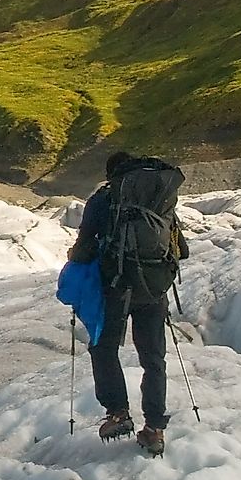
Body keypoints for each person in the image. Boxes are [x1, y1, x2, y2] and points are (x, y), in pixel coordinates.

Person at [68, 151, 188, 457]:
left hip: (115, 287)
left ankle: (118, 412)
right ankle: (155, 428)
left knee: (104, 347)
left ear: (112, 176)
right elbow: (181, 250)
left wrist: (78, 261)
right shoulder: (159, 199)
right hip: (153, 288)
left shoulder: (104, 199)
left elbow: (83, 249)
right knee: (153, 358)